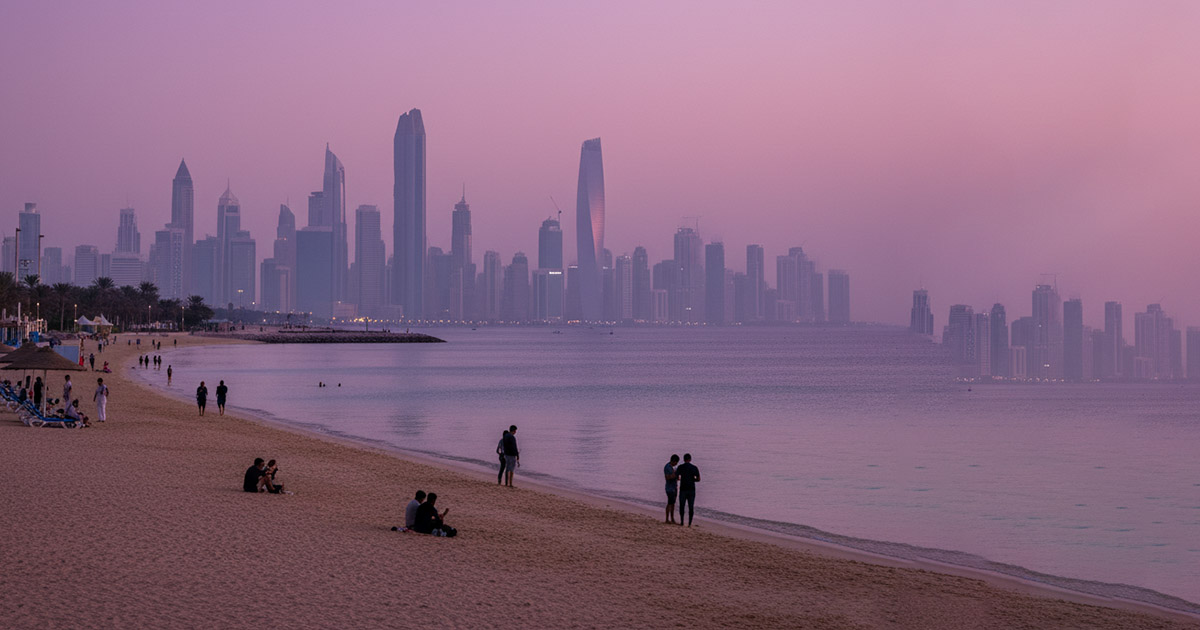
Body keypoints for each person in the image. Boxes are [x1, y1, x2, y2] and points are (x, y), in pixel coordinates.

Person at [676, 453, 701, 527]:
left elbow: (677, 477)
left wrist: (680, 478)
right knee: (691, 506)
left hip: (683, 489)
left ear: (684, 459)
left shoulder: (680, 467)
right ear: (690, 459)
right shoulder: (694, 467)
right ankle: (689, 523)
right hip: (691, 489)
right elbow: (698, 479)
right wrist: (693, 479)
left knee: (682, 506)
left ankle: (682, 521)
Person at [664, 454, 680, 524]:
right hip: (669, 488)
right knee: (670, 503)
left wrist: (676, 477)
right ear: (674, 461)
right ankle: (667, 519)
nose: (676, 464)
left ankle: (672, 518)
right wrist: (675, 475)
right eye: (676, 462)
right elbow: (667, 477)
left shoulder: (671, 467)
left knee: (672, 503)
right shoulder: (667, 467)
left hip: (674, 487)